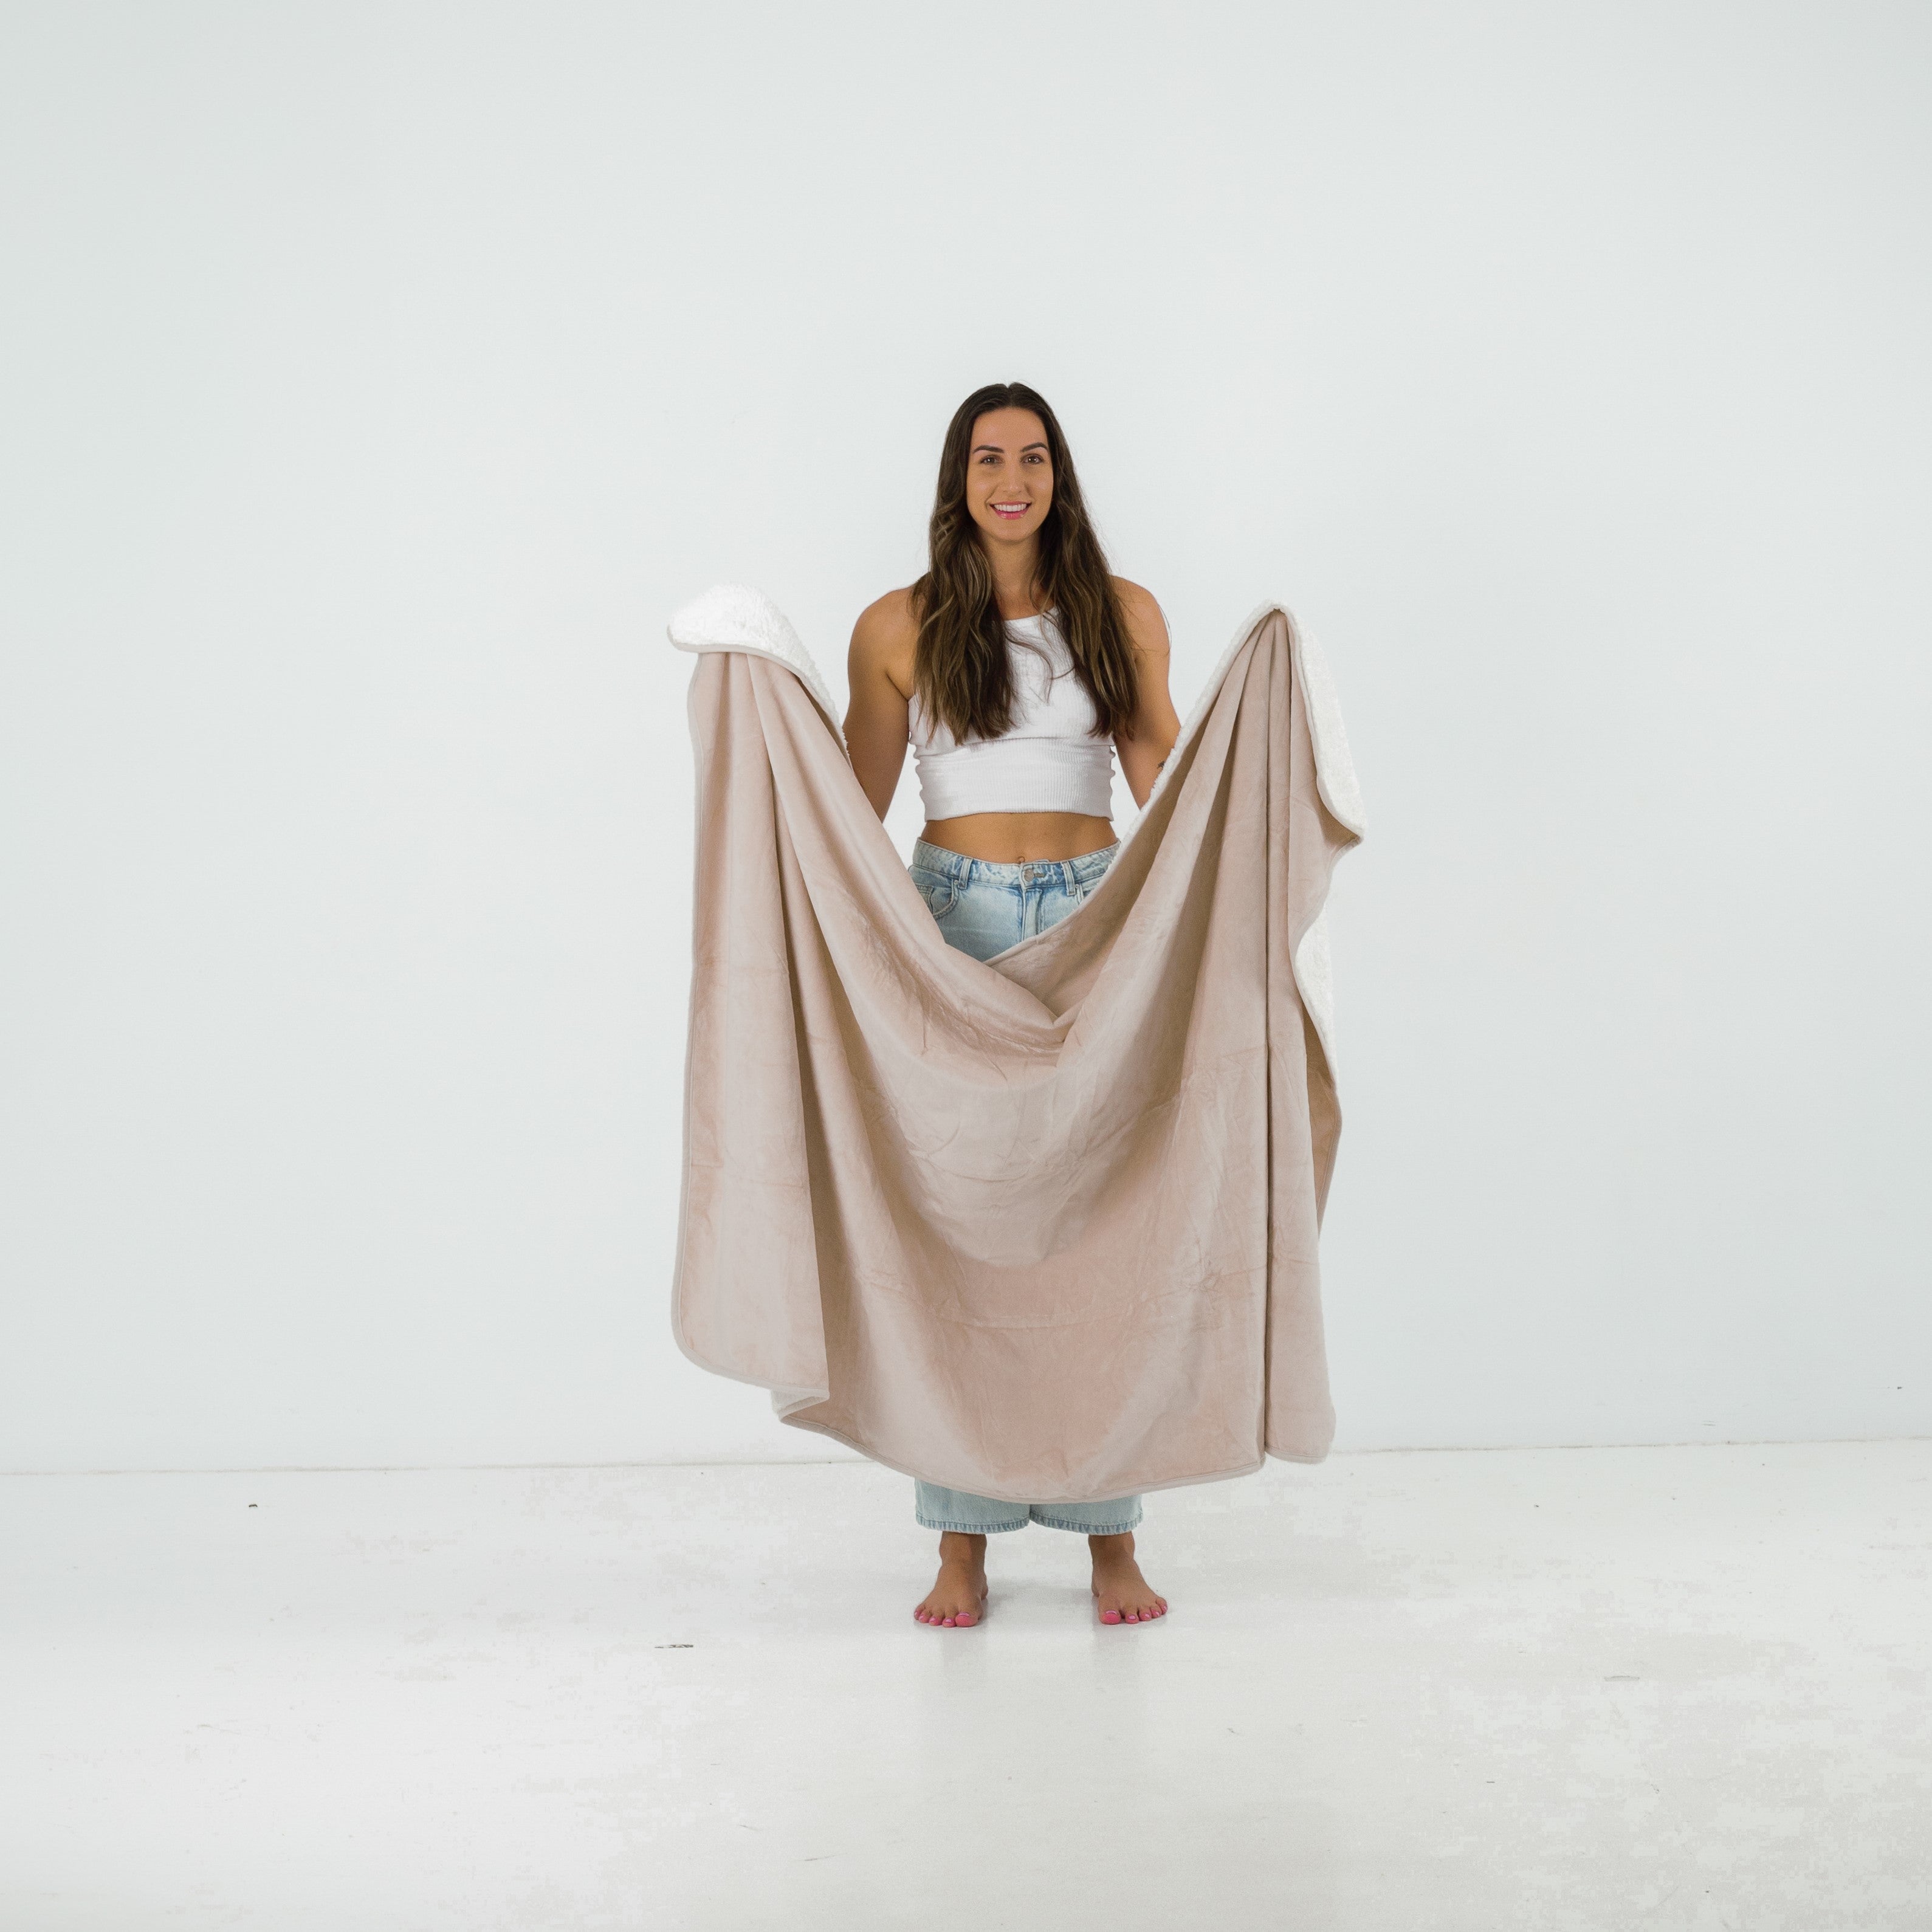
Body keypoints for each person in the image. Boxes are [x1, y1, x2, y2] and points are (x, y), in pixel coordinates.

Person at [841, 382, 1183, 1630]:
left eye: (1034, 459)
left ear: (1058, 476)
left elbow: (1164, 778)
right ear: (959, 478)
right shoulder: (899, 625)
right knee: (970, 1223)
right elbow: (848, 808)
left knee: (1100, 1219)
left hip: (1097, 914)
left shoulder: (1121, 612)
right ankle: (962, 1541)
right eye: (989, 459)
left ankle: (1110, 1536)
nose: (1012, 481)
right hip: (956, 923)